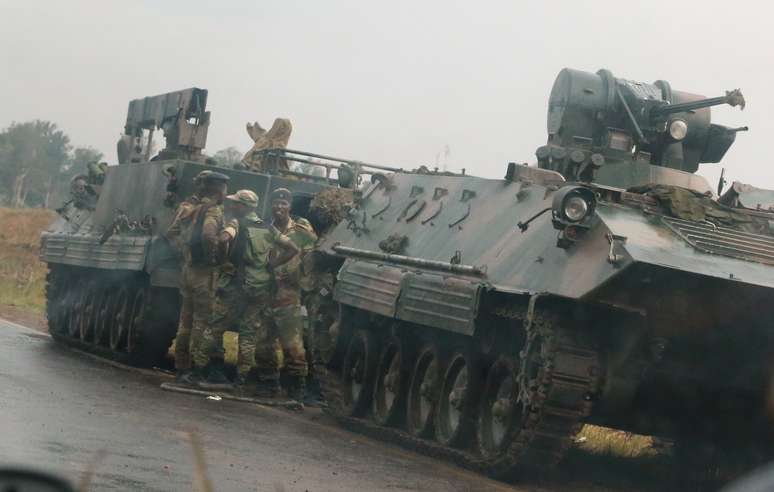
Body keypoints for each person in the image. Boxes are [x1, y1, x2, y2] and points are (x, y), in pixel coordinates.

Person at [197, 189, 299, 392]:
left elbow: (225, 238)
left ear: (244, 206)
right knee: (249, 334)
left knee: (214, 328)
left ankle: (197, 370)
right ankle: (241, 380)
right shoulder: (268, 228)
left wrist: (224, 259)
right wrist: (273, 265)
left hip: (237, 286)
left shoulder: (236, 223)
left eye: (236, 203)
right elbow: (293, 248)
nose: (233, 206)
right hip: (261, 287)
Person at [165, 171, 230, 385]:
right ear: (219, 190)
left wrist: (184, 254)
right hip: (204, 273)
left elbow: (171, 233)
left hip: (188, 271)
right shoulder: (213, 210)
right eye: (224, 189)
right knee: (202, 322)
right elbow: (209, 235)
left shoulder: (188, 208)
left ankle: (181, 367)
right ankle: (195, 368)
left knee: (185, 322)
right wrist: (216, 258)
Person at [265, 187, 317, 400]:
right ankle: (267, 382)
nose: (279, 207)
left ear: (290, 206)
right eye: (276, 203)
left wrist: (306, 281)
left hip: (290, 291)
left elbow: (314, 253)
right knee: (263, 341)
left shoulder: (301, 230)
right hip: (266, 290)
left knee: (293, 344)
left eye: (284, 203)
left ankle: (296, 387)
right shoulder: (265, 228)